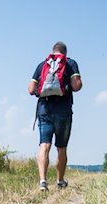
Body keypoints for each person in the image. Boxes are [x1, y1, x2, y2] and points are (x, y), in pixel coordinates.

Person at [28, 41, 82, 191]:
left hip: (44, 110)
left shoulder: (42, 65)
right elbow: (76, 86)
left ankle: (43, 181)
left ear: (53, 51)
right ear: (65, 52)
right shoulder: (70, 63)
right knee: (61, 148)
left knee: (44, 145)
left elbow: (31, 89)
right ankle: (60, 181)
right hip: (63, 110)